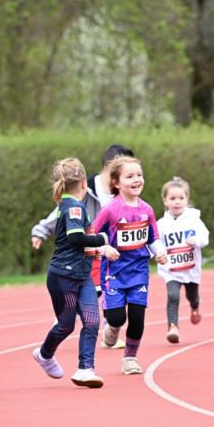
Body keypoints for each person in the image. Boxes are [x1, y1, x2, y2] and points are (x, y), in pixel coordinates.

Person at [31, 144, 134, 343]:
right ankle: (66, 320)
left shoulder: (124, 191)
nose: (131, 177)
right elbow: (61, 213)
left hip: (113, 248)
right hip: (91, 247)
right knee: (92, 289)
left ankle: (109, 330)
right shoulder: (85, 188)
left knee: (114, 288)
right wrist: (41, 231)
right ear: (110, 167)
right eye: (126, 171)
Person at [32, 158, 119, 388]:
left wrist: (98, 249)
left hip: (83, 275)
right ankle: (44, 354)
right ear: (83, 182)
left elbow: (79, 242)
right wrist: (101, 238)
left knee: (92, 320)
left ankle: (85, 369)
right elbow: (75, 238)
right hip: (63, 277)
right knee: (66, 324)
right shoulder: (72, 207)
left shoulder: (72, 206)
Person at [91, 155, 168, 373]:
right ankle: (111, 329)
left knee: (137, 317)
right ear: (116, 183)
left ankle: (130, 358)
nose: (137, 180)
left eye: (139, 175)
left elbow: (153, 237)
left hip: (138, 270)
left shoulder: (147, 209)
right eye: (130, 176)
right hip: (113, 271)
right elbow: (92, 235)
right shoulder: (110, 209)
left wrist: (160, 252)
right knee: (117, 317)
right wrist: (104, 248)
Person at [157, 177, 210, 344]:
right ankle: (173, 327)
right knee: (173, 296)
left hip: (190, 268)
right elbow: (155, 242)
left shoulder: (194, 220)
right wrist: (158, 252)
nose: (177, 202)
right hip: (171, 269)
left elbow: (205, 237)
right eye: (172, 198)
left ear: (187, 199)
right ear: (165, 200)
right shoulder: (161, 224)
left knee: (191, 295)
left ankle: (195, 306)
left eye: (181, 198)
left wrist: (196, 241)